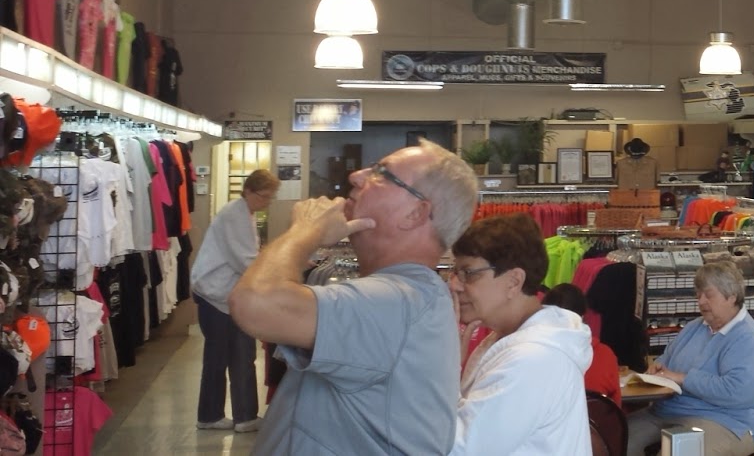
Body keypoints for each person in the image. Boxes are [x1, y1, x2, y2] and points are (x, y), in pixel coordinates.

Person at [231, 140, 479, 455]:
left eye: (382, 173)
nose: (356, 176)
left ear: (415, 213)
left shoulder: (398, 302)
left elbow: (255, 302)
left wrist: (305, 231)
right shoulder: (410, 296)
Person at [448, 214, 592, 456]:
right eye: (455, 272)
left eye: (468, 273)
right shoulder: (507, 340)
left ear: (514, 281)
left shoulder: (534, 358)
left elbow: (457, 449)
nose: (454, 284)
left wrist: (443, 364)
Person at [625, 261, 754, 456]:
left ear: (731, 297)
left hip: (729, 421)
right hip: (669, 410)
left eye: (709, 295)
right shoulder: (695, 327)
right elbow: (666, 359)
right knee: (612, 436)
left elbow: (738, 393)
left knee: (679, 453)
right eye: (698, 295)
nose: (701, 301)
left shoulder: (747, 339)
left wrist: (683, 378)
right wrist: (657, 369)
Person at [190, 168, 279, 433]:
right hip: (216, 295)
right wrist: (280, 271)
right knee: (222, 357)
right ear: (248, 191)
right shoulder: (234, 214)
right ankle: (212, 416)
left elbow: (249, 256)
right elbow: (245, 261)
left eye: (270, 197)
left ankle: (244, 415)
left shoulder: (245, 213)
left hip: (227, 295)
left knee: (240, 354)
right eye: (263, 196)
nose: (266, 202)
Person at [543, 282, 621, 404]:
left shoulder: (532, 353)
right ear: (583, 316)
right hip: (595, 416)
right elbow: (615, 405)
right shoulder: (605, 354)